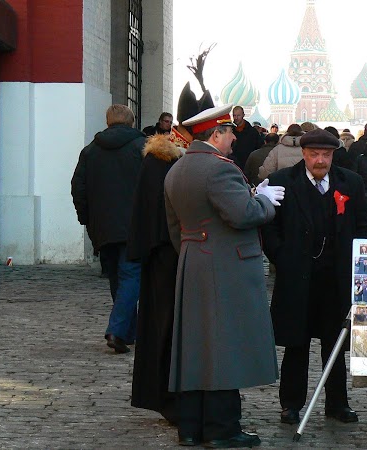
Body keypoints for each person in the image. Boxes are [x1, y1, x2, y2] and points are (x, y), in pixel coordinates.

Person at [164, 103, 284, 448]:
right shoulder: (219, 170)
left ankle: (191, 425)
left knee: (195, 346)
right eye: (229, 132)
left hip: (192, 260)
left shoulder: (178, 169)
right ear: (215, 135)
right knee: (223, 347)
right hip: (224, 263)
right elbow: (242, 214)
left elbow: (175, 227)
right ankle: (222, 428)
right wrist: (263, 201)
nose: (234, 138)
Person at [261, 128, 367, 426]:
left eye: (326, 155)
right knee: (296, 343)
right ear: (304, 154)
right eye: (314, 155)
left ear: (333, 155)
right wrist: (282, 258)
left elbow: (362, 226)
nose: (320, 161)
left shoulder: (351, 182)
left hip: (335, 278)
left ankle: (337, 403)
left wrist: (354, 264)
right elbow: (269, 228)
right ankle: (291, 404)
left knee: (334, 342)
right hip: (297, 276)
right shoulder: (283, 181)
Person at [71, 104, 144, 354]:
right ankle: (118, 330)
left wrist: (86, 218)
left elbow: (78, 187)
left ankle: (127, 331)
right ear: (131, 122)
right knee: (131, 275)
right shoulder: (142, 148)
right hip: (135, 223)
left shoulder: (90, 151)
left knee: (117, 276)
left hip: (102, 225)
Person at [126, 134, 182, 423]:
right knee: (165, 325)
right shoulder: (160, 162)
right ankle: (165, 394)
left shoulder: (164, 162)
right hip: (164, 255)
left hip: (168, 252)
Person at [230, 105, 263, 171]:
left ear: (243, 115)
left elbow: (258, 148)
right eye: (234, 115)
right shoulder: (230, 131)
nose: (236, 118)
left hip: (248, 166)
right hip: (233, 166)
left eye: (238, 115)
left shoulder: (252, 132)